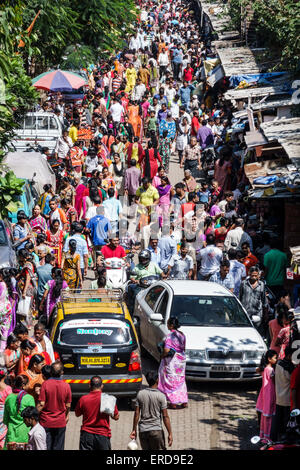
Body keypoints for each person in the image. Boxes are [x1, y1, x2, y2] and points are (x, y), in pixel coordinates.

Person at [130, 371, 173, 450]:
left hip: (143, 431)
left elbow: (137, 414)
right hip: (156, 431)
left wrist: (134, 429)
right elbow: (165, 416)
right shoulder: (161, 396)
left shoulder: (140, 394)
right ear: (157, 380)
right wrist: (170, 433)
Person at [75, 376, 119, 450]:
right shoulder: (108, 399)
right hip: (103, 435)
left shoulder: (83, 399)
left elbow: (77, 414)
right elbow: (116, 417)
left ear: (89, 385)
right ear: (102, 386)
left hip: (87, 435)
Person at [37, 361, 72, 451]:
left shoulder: (45, 384)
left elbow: (41, 404)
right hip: (60, 422)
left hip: (46, 421)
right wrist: (66, 416)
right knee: (58, 447)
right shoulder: (66, 386)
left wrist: (35, 414)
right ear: (62, 372)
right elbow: (68, 405)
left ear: (51, 372)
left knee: (46, 446)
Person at [3, 374, 35, 449]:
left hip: (11, 434)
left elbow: (6, 420)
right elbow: (33, 419)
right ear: (23, 385)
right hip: (25, 433)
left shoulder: (9, 398)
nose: (29, 386)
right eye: (28, 384)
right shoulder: (29, 398)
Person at [270, 347, 294, 441]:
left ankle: (274, 438)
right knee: (286, 421)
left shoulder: (278, 364)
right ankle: (283, 440)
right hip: (287, 399)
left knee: (277, 420)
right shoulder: (289, 367)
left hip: (279, 396)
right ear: (289, 355)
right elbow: (292, 380)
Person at [256, 350, 277, 442]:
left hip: (264, 393)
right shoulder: (271, 370)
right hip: (270, 393)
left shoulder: (264, 369)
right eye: (275, 358)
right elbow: (275, 381)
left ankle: (263, 435)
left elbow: (257, 370)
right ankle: (267, 437)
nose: (276, 360)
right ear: (269, 359)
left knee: (264, 416)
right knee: (268, 416)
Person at [239, 266, 268, 334]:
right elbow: (240, 297)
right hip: (245, 312)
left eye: (256, 275)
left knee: (256, 331)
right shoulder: (244, 283)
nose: (254, 277)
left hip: (257, 312)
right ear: (249, 274)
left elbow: (264, 300)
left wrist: (265, 313)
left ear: (258, 275)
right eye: (252, 275)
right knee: (245, 331)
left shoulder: (261, 285)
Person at [0, 368, 12, 448]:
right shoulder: (7, 388)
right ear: (5, 376)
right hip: (3, 414)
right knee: (2, 435)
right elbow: (10, 402)